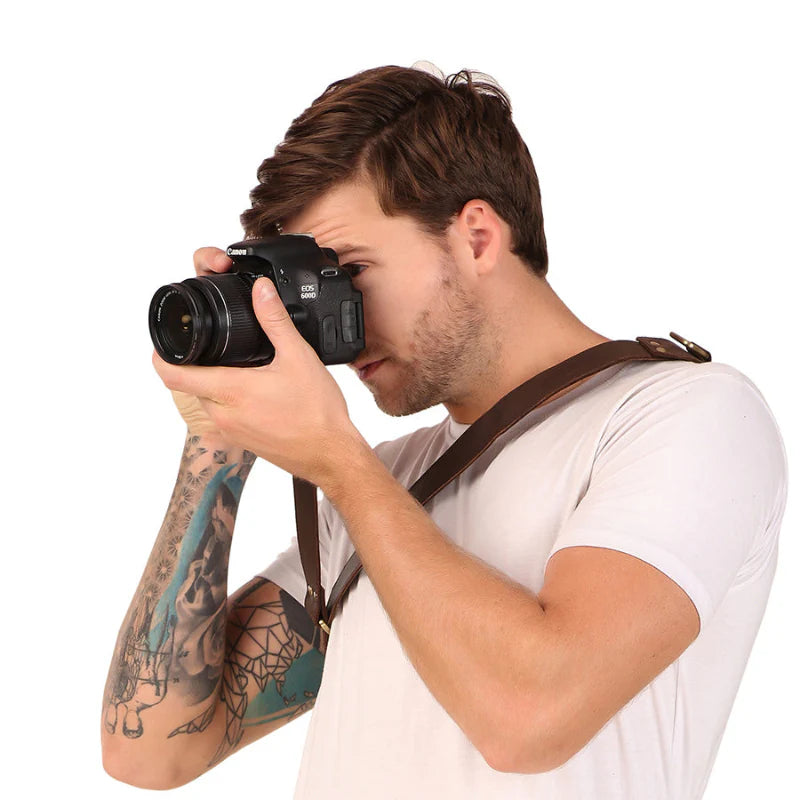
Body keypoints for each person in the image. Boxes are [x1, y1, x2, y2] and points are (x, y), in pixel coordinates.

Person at [101, 64, 787, 799]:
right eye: (311, 290)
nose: (337, 321)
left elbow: (530, 718)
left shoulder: (686, 414)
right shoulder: (379, 483)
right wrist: (218, 445)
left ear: (478, 238)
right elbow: (151, 752)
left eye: (351, 270)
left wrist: (339, 462)